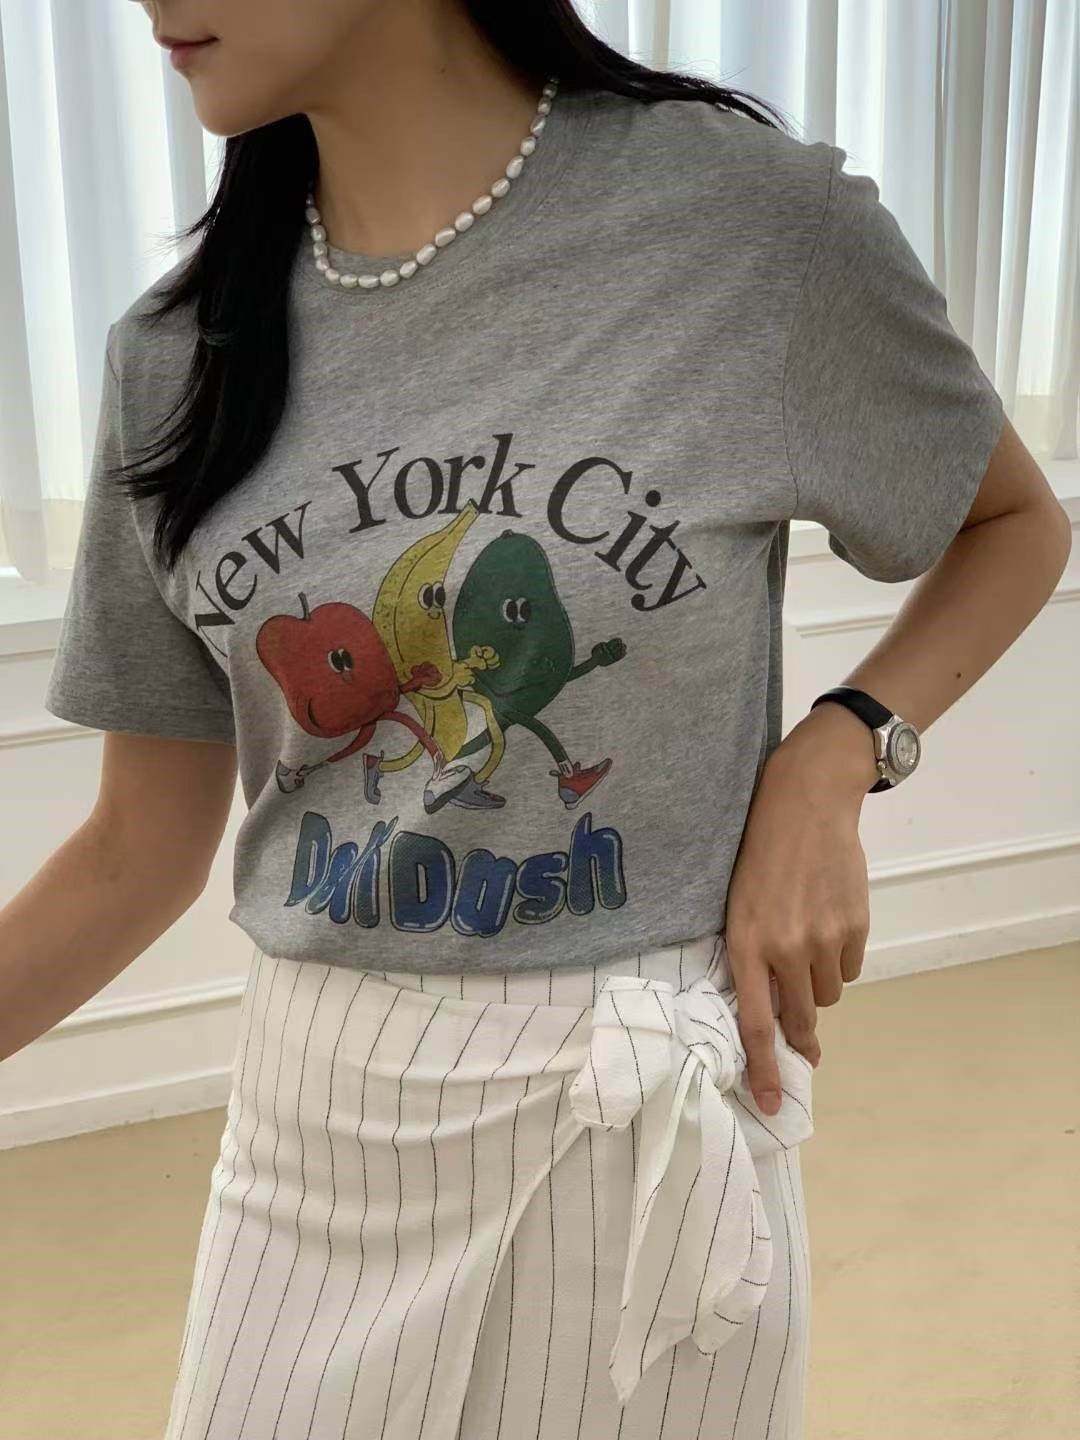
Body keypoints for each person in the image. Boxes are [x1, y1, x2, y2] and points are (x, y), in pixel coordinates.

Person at [0, 1, 1070, 1436]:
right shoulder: (179, 356)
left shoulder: (746, 225)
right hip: (315, 1130)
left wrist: (832, 757)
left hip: (642, 1111)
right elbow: (136, 850)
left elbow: (1014, 523)